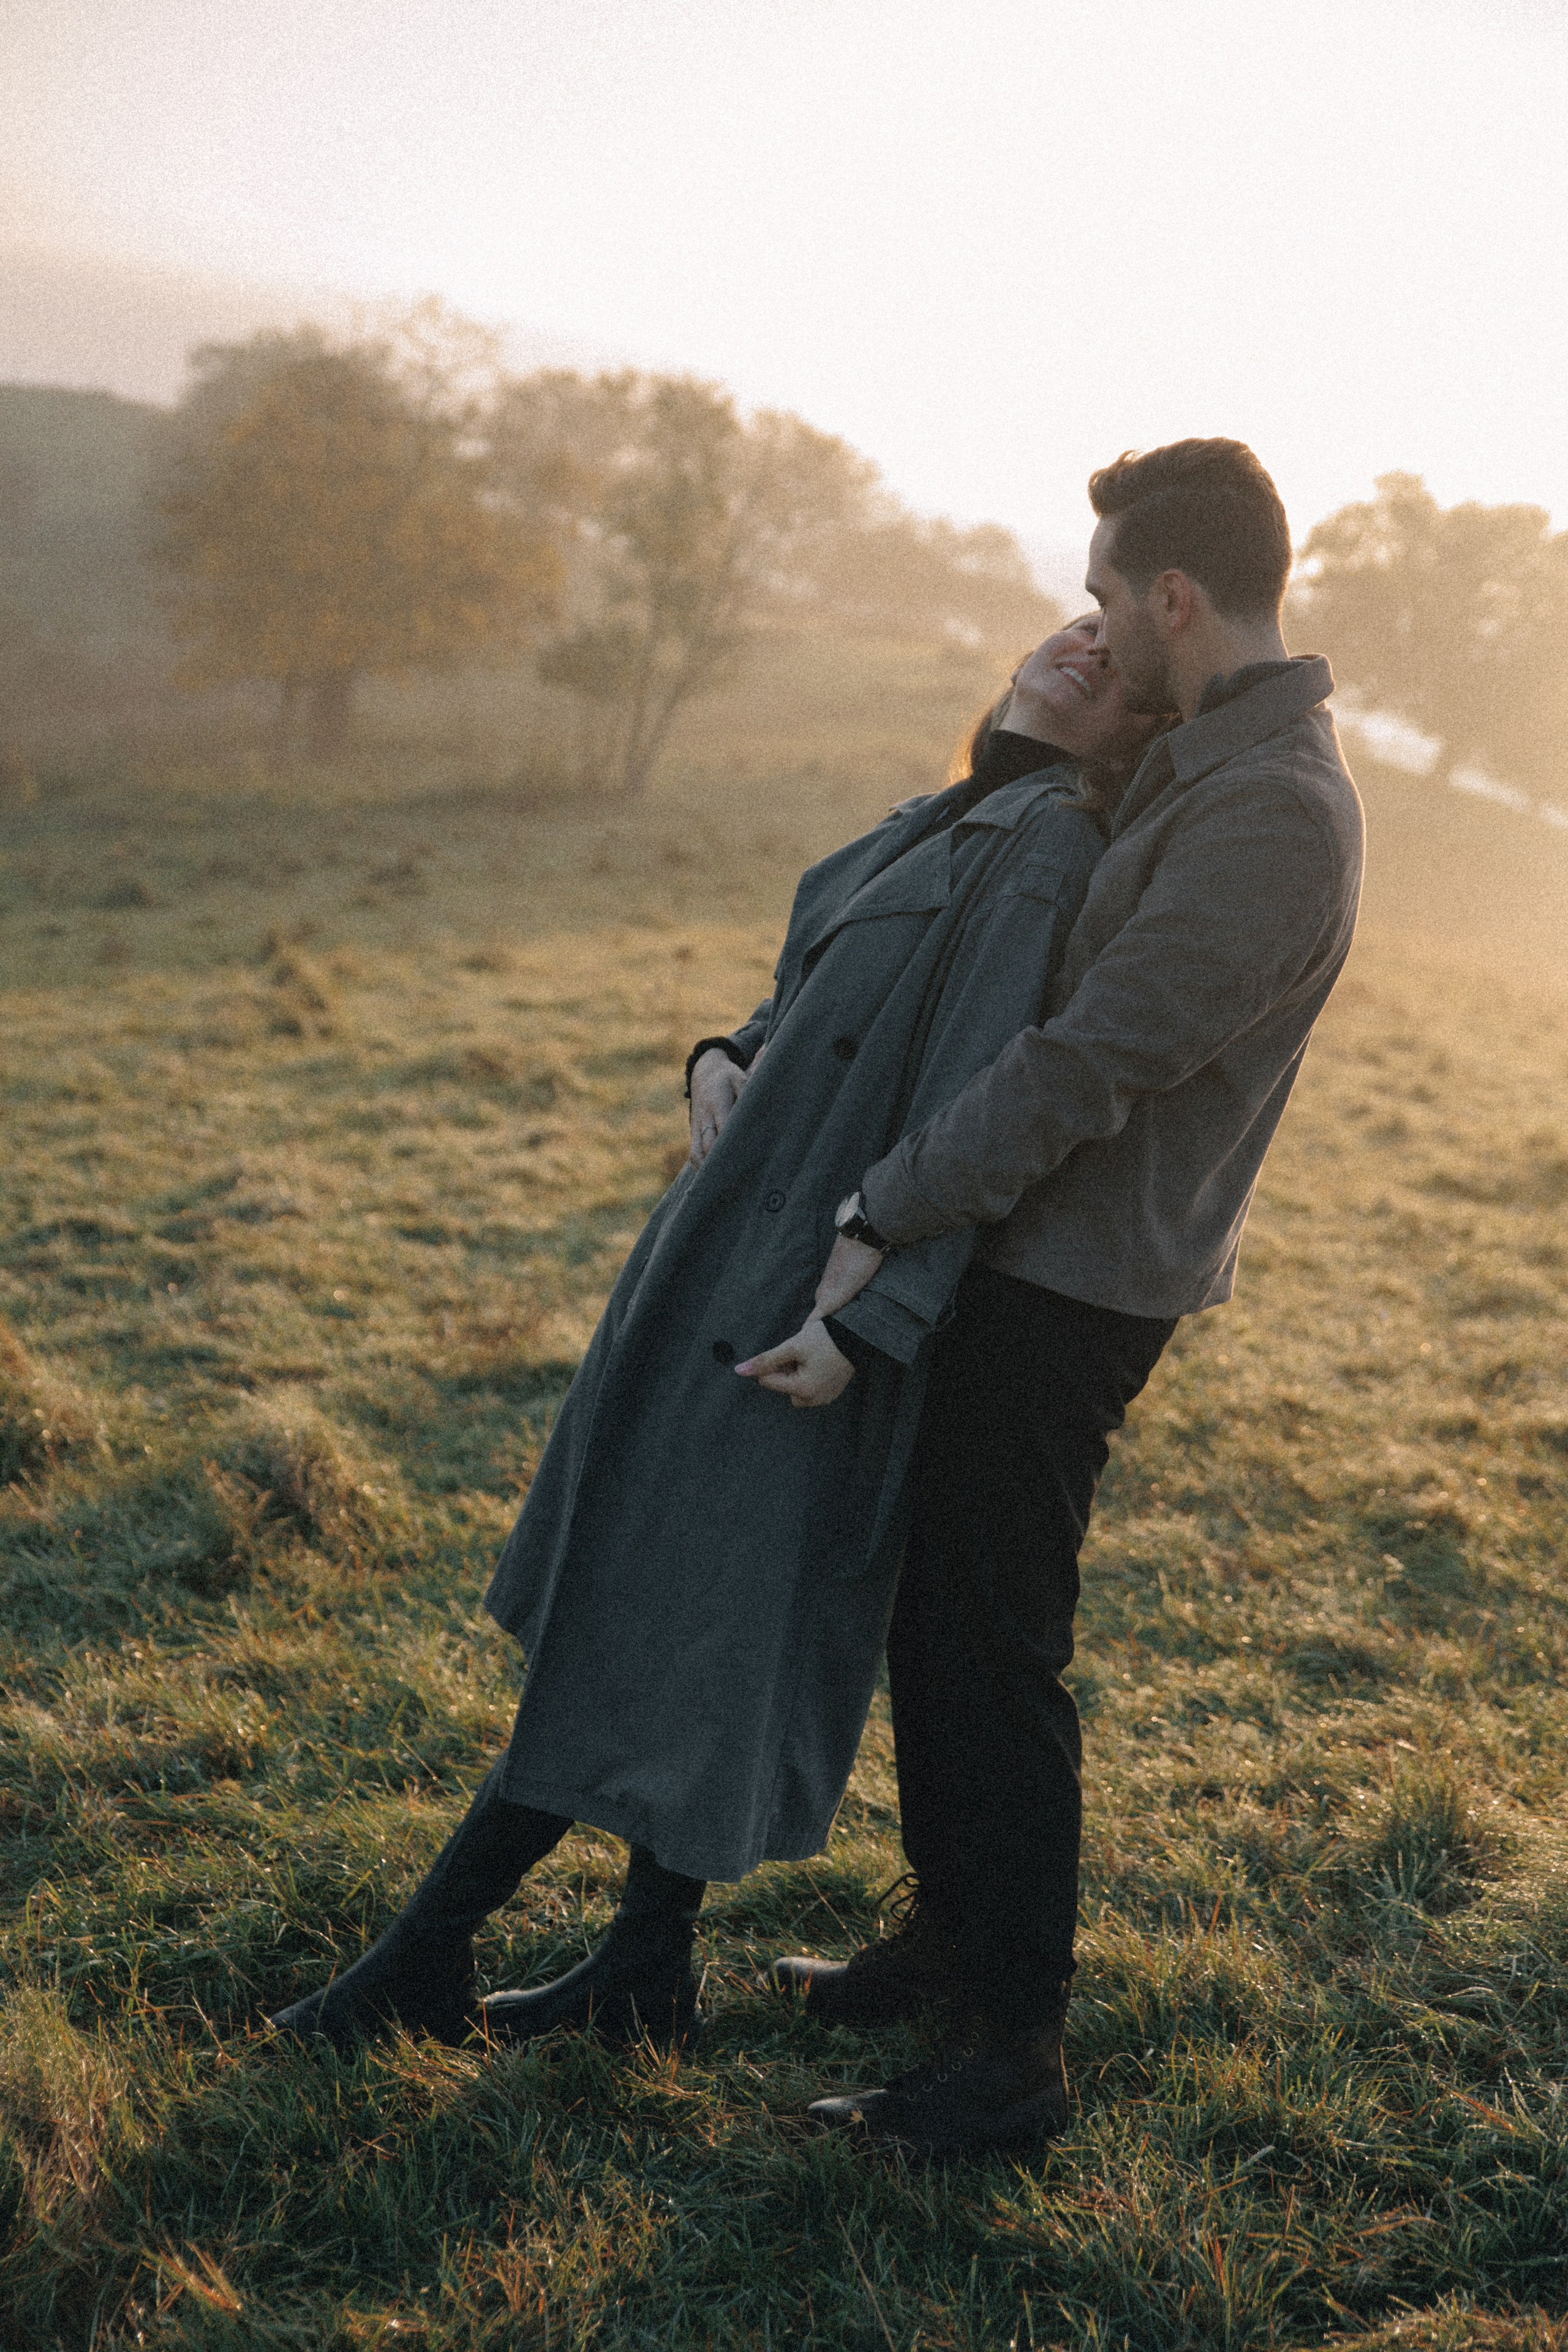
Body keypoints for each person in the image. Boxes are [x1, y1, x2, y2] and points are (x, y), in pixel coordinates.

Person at [265, 617, 1165, 2056]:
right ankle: (642, 1965)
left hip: (808, 1286)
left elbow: (970, 1099)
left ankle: (424, 1954)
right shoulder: (941, 813)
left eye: (1115, 662)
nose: (1078, 650)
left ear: (1132, 733)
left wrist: (872, 1320)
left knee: (649, 1618)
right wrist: (719, 1052)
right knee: (686, 1622)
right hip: (729, 1252)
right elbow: (808, 1004)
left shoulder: (1043, 847)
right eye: (1069, 628)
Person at [753, 437, 1366, 2155]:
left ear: (1177, 595)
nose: (1093, 622)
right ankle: (950, 1935)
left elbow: (1091, 1061)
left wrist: (887, 1201)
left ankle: (1010, 2051)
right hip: (1023, 1251)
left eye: (1107, 594)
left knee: (996, 1644)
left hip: (1082, 1282)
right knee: (941, 1620)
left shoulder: (1275, 810)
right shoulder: (1200, 758)